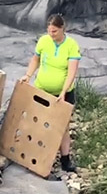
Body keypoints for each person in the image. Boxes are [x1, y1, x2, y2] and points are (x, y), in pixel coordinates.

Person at [19, 13, 81, 173]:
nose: (51, 34)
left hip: (63, 92)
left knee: (63, 126)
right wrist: (28, 75)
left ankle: (65, 160)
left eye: (54, 31)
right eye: (49, 31)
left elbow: (71, 71)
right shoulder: (43, 41)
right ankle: (33, 155)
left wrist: (63, 92)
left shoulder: (71, 45)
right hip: (42, 88)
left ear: (62, 29)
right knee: (38, 120)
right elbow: (36, 59)